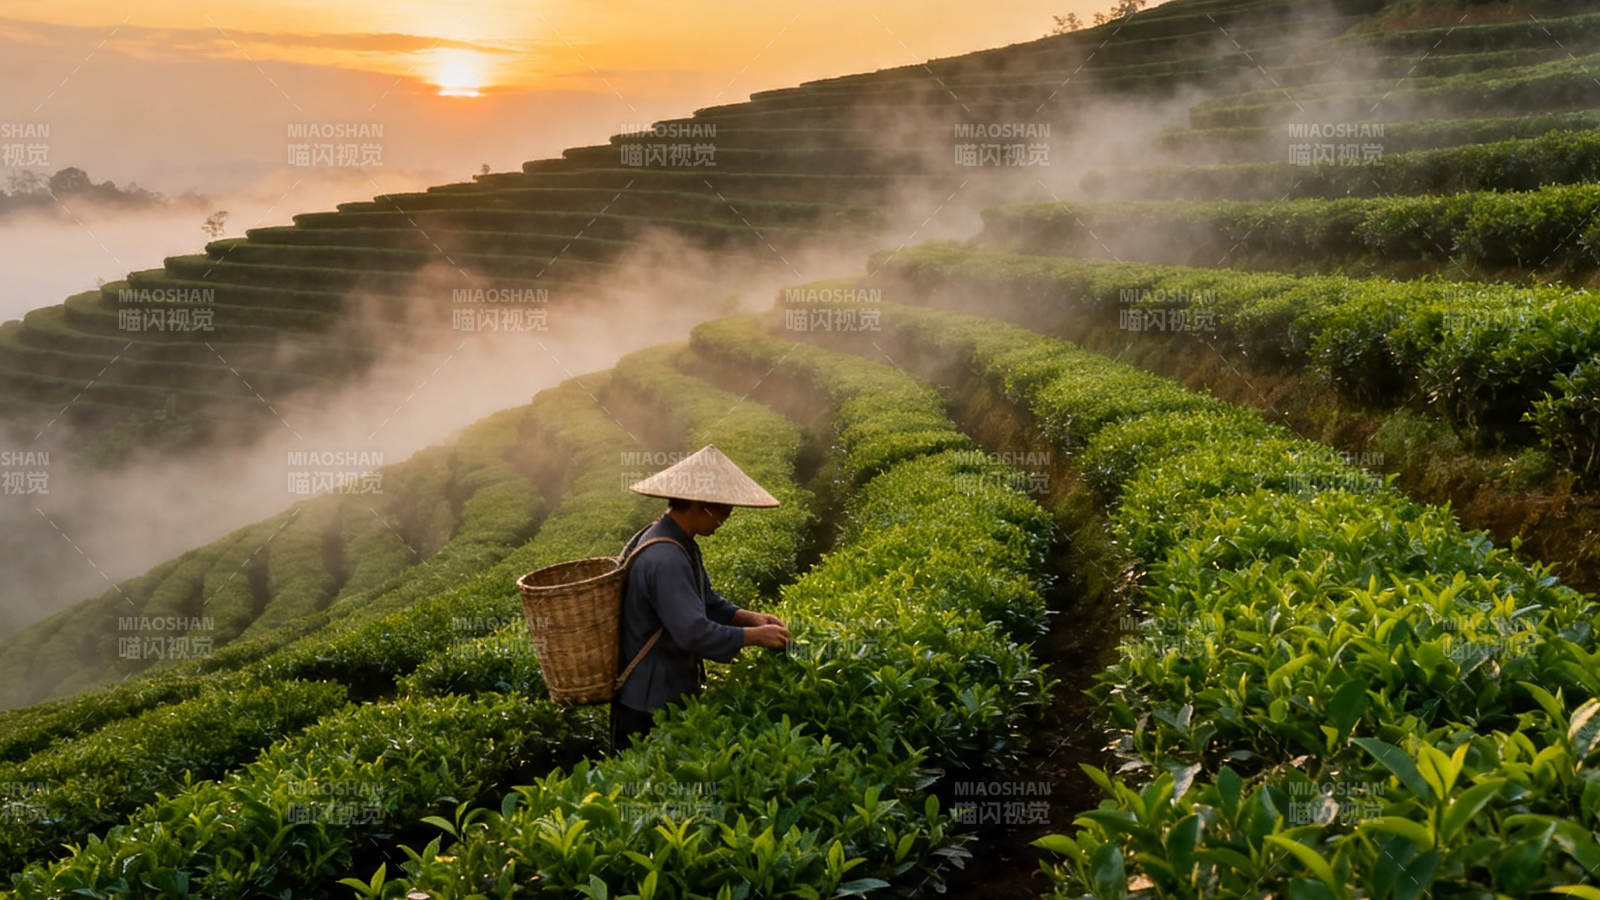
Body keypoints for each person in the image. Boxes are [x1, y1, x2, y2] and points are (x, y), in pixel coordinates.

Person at [611, 444, 791, 753]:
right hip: (649, 706)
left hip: (663, 693)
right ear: (699, 503)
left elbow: (706, 600)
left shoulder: (680, 542)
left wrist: (749, 618)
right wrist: (755, 637)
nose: (727, 517)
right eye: (722, 508)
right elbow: (693, 632)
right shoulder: (666, 557)